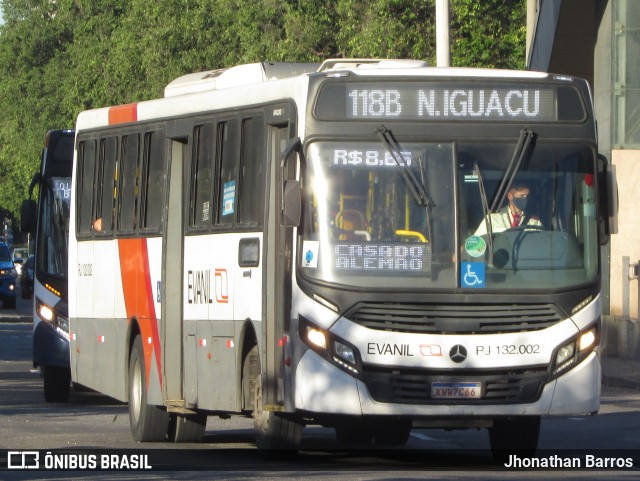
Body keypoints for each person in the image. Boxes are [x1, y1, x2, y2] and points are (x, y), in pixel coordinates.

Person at [474, 183, 541, 236]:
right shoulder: (492, 219)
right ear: (510, 196)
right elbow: (475, 245)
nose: (525, 199)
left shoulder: (534, 222)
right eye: (521, 196)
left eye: (527, 196)